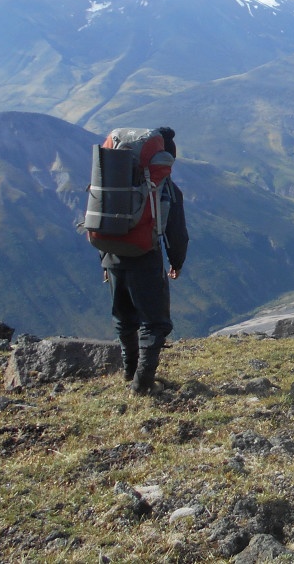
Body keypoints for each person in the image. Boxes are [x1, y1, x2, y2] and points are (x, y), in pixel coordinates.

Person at [103, 126, 189, 394]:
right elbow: (177, 233)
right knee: (156, 323)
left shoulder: (114, 182)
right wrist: (176, 262)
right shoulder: (166, 190)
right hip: (145, 256)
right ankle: (142, 383)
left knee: (124, 317)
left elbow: (101, 217)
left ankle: (130, 372)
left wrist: (104, 259)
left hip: (112, 255)